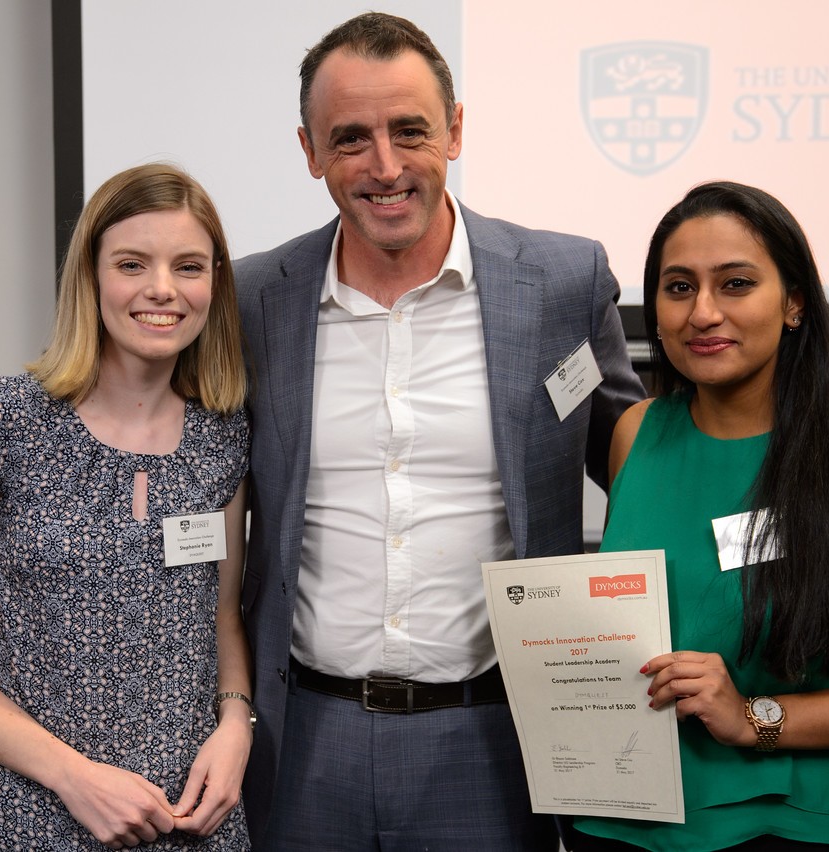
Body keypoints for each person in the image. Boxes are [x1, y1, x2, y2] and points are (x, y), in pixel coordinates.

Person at [233, 12, 645, 851]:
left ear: (455, 131)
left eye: (410, 130)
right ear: (310, 151)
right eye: (351, 139)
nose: (385, 167)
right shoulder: (250, 300)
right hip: (303, 740)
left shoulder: (562, 283)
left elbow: (644, 471)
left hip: (494, 742)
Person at [565, 181, 829, 851]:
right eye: (679, 288)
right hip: (623, 823)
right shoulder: (634, 434)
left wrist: (756, 718)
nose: (703, 312)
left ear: (794, 303)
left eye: (735, 284)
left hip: (796, 829)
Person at [0, 163, 254, 851]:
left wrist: (236, 723)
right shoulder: (9, 417)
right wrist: (73, 777)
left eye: (188, 267)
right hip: (27, 820)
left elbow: (222, 618)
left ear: (215, 283)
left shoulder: (224, 434)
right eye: (132, 264)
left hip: (185, 822)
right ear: (90, 277)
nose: (162, 288)